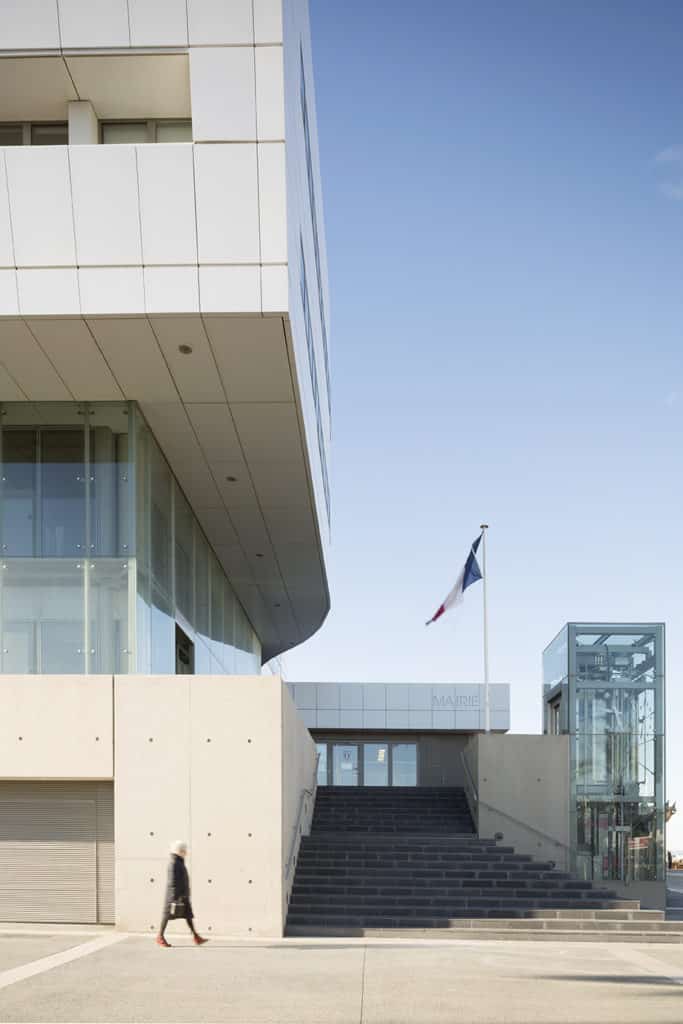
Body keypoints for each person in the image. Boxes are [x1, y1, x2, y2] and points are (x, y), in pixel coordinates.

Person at [156, 840, 208, 947]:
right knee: (166, 916)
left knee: (188, 915)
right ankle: (160, 936)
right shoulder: (174, 863)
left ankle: (196, 936)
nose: (186, 852)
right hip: (174, 896)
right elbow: (172, 881)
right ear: (179, 851)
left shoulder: (179, 862)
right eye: (184, 850)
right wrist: (175, 897)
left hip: (182, 895)